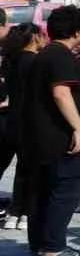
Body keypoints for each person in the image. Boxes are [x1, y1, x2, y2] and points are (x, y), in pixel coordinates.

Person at [22, 6, 80, 256]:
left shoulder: (44, 55)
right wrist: (78, 127)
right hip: (58, 136)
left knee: (44, 192)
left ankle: (40, 247)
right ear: (77, 30)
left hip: (39, 136)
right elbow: (61, 93)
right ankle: (52, 252)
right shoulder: (60, 57)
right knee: (68, 189)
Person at [1, 23, 44, 232]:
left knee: (21, 170)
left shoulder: (13, 60)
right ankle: (26, 212)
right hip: (31, 122)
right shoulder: (35, 62)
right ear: (34, 37)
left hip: (13, 120)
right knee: (31, 170)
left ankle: (15, 212)